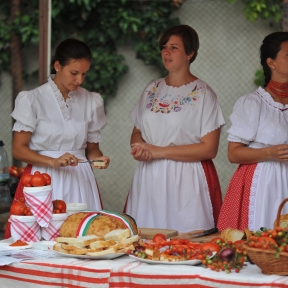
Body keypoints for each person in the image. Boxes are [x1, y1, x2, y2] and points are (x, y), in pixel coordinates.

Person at [124, 25, 225, 233]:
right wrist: (139, 147)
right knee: (147, 240)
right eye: (164, 47)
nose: (166, 52)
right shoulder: (151, 89)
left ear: (190, 53)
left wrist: (159, 152)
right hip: (149, 176)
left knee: (187, 243)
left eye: (174, 47)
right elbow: (137, 131)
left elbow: (209, 149)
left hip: (188, 179)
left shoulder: (204, 95)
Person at [5, 38, 109, 238]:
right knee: (40, 243)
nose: (79, 80)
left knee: (84, 240)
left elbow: (92, 149)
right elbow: (19, 149)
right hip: (42, 180)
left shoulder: (91, 101)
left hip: (81, 179)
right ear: (57, 66)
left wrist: (98, 159)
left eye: (84, 74)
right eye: (74, 73)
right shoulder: (33, 99)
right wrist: (52, 161)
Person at [217, 32, 288, 232]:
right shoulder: (253, 103)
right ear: (271, 63)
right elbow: (233, 153)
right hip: (263, 184)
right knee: (261, 240)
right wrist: (270, 152)